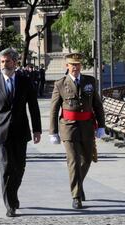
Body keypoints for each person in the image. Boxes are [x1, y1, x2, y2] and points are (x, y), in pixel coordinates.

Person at [0, 48, 41, 217]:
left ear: (15, 63)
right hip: (1, 132)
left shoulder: (25, 81)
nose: (4, 65)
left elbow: (33, 106)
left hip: (21, 130)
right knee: (7, 167)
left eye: (7, 61)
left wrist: (37, 129)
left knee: (20, 167)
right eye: (2, 61)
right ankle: (10, 204)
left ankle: (13, 195)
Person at [49, 53, 105, 209]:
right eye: (72, 65)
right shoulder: (60, 84)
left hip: (87, 126)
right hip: (69, 127)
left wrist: (101, 125)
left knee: (87, 160)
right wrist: (53, 131)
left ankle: (78, 186)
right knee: (73, 161)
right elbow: (54, 109)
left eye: (78, 64)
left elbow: (97, 104)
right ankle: (76, 196)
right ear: (66, 66)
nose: (75, 67)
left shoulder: (90, 81)